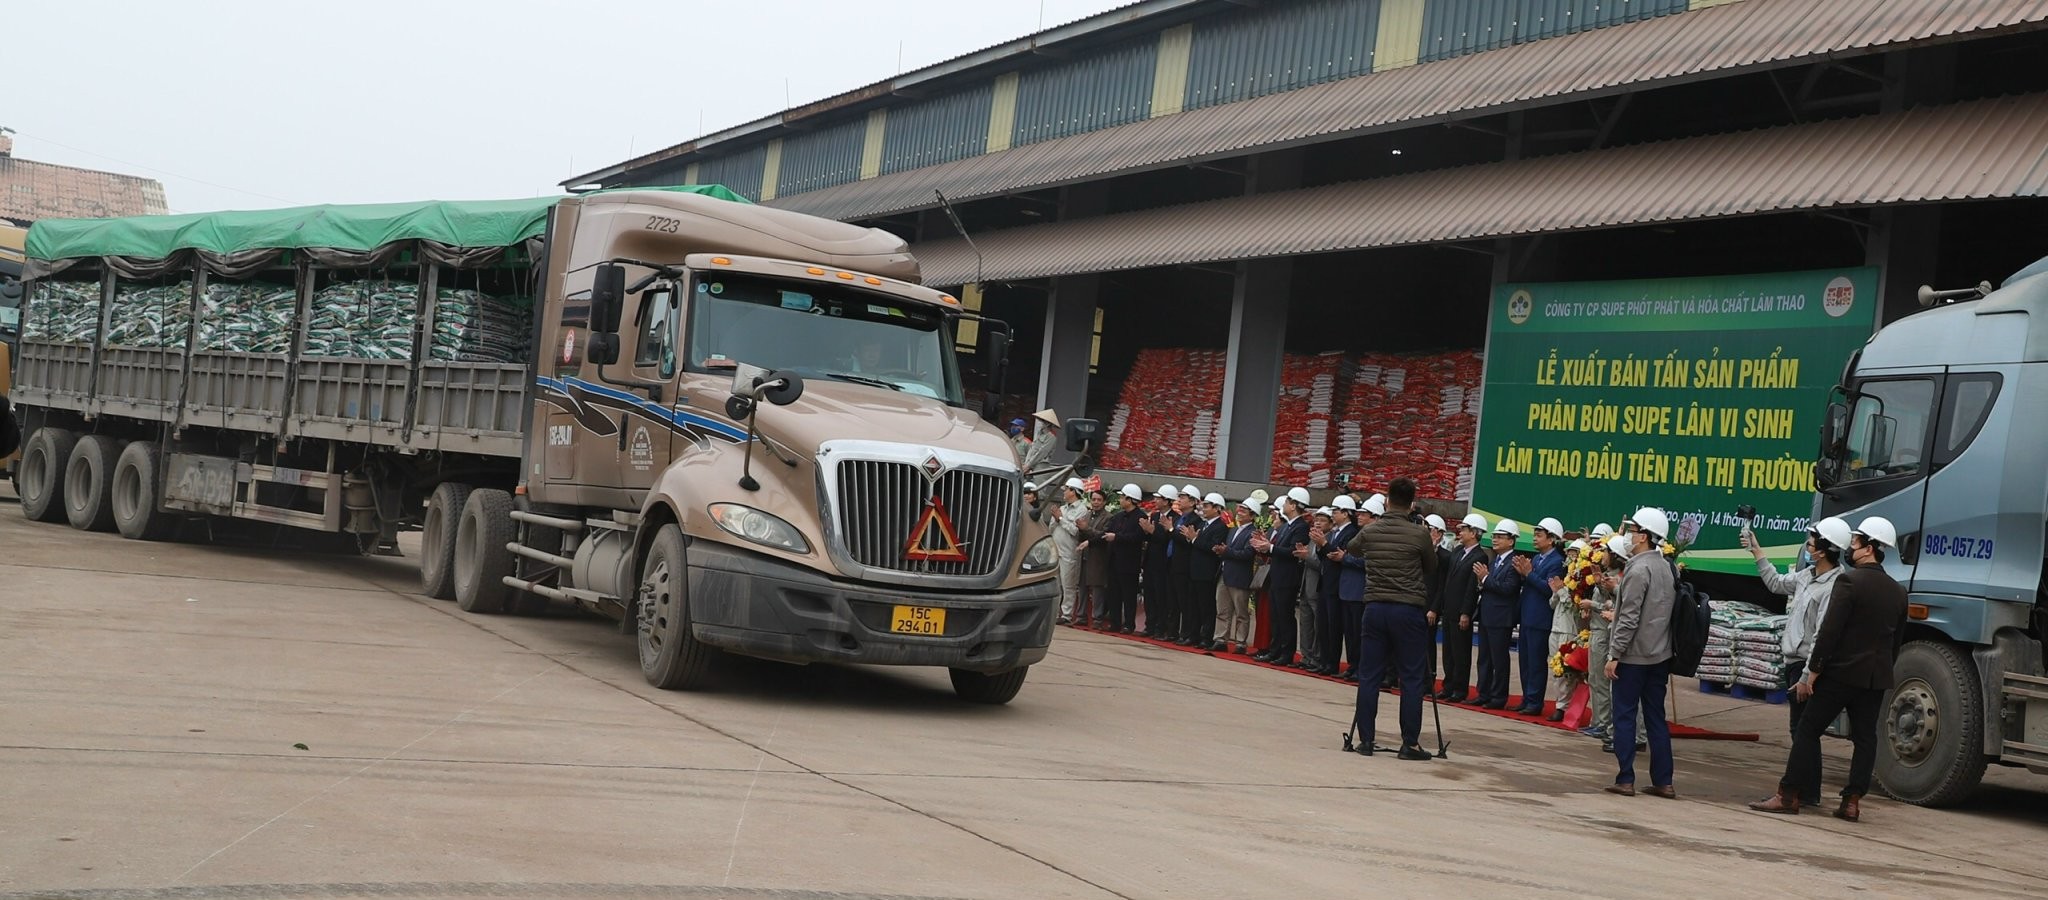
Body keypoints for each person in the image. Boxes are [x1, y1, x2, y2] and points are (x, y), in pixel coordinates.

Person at [1750, 517, 1906, 822]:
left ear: (1870, 548)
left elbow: (1829, 632)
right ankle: (1852, 801)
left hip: (1839, 674)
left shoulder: (1848, 582)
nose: (1852, 547)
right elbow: (1895, 643)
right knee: (1865, 739)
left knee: (1807, 729)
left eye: (1857, 542)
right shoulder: (1898, 592)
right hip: (1874, 678)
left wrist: (1812, 675)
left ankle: (1788, 794)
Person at [1750, 517, 1850, 776]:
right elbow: (1776, 583)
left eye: (1812, 542)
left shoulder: (1834, 586)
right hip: (1793, 662)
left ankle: (1803, 789)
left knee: (1803, 730)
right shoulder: (1807, 575)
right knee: (1800, 729)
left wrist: (1807, 676)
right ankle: (1806, 790)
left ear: (1824, 549)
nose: (1807, 545)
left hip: (1805, 668)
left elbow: (1821, 634)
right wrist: (1757, 552)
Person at [1348, 477, 1439, 760]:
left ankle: (1366, 740)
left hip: (1375, 607)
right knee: (1411, 677)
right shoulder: (1419, 534)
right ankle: (1409, 743)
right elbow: (1430, 566)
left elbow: (1352, 548)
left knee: (1370, 675)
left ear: (1387, 500)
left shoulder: (1372, 530)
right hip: (1408, 609)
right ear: (1412, 504)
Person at [1604, 507, 1677, 799]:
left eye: (1634, 531)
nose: (1630, 536)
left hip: (1633, 657)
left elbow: (1629, 617)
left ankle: (1625, 778)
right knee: (1656, 717)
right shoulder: (1667, 566)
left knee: (1624, 715)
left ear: (1644, 536)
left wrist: (1614, 654)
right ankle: (1664, 781)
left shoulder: (1638, 568)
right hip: (1659, 655)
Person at [1513, 517, 1567, 716]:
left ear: (1551, 539)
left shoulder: (1557, 562)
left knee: (1536, 663)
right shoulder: (1536, 559)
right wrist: (1522, 574)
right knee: (1525, 662)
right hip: (1528, 616)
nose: (1534, 538)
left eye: (1539, 535)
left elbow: (1549, 589)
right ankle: (1527, 698)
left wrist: (1529, 575)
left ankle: (1535, 702)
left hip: (1541, 618)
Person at [1253, 487, 1312, 665]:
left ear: (1293, 505)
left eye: (1287, 502)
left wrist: (1270, 548)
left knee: (1285, 616)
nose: (1284, 505)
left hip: (1288, 578)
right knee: (1276, 616)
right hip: (1277, 577)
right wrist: (1267, 545)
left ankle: (1286, 653)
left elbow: (1293, 551)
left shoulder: (1301, 527)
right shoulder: (1288, 526)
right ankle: (1275, 649)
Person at [1433, 514, 1489, 702]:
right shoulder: (1457, 552)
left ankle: (1459, 688)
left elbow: (1471, 589)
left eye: (1464, 529)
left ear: (1474, 533)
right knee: (1448, 651)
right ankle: (1448, 686)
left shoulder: (1479, 555)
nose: (1460, 532)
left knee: (1460, 652)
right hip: (1449, 608)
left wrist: (1466, 612)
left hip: (1461, 611)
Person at [1473, 519, 1525, 708]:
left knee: (1499, 660)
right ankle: (1483, 692)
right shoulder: (1495, 561)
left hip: (1501, 618)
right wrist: (1483, 582)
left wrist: (1485, 578)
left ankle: (1498, 697)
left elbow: (1508, 589)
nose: (1495, 540)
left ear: (1511, 541)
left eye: (1500, 537)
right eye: (1494, 536)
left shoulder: (1514, 563)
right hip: (1487, 615)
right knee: (1484, 658)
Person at [1583, 534, 1628, 746]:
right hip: (1597, 630)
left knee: (1602, 682)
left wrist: (1593, 605)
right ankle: (1599, 721)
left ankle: (1605, 724)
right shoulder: (1609, 576)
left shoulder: (1619, 578)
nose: (1604, 555)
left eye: (1608, 552)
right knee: (1594, 679)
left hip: (1605, 633)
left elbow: (1613, 607)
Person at [1313, 496, 1362, 676]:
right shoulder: (1334, 532)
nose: (1333, 514)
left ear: (1346, 513)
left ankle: (1332, 663)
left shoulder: (1351, 532)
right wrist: (1321, 546)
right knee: (1324, 626)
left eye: (1336, 511)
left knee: (1335, 628)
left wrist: (1324, 544)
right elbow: (1326, 556)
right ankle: (1325, 661)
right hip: (1326, 583)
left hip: (1337, 585)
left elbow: (1337, 554)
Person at [1212, 499, 1262, 654]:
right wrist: (1221, 551)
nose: (1239, 512)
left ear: (1252, 515)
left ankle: (1240, 643)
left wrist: (1226, 552)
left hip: (1240, 577)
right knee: (1222, 610)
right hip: (1225, 574)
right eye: (1240, 509)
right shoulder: (1233, 530)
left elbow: (1248, 554)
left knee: (1241, 612)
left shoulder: (1253, 532)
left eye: (1244, 510)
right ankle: (1221, 639)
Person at [1547, 539, 1589, 723]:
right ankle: (1559, 703)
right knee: (1555, 669)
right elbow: (1552, 603)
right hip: (1555, 627)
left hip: (1570, 629)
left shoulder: (1583, 582)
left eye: (1575, 553)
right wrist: (1557, 591)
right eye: (1569, 553)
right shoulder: (1567, 577)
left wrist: (1563, 592)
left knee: (1567, 671)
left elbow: (1575, 606)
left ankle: (1562, 707)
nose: (1571, 557)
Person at [1184, 493, 1229, 649]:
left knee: (1206, 607)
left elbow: (1213, 547)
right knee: (1194, 605)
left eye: (1207, 506)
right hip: (1195, 570)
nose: (1204, 509)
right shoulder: (1203, 525)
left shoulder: (1221, 527)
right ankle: (1193, 635)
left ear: (1217, 509)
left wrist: (1195, 540)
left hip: (1207, 572)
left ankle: (1206, 637)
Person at [1100, 484, 1147, 633]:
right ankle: (1114, 622)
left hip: (1129, 563)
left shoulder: (1141, 517)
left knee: (1129, 595)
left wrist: (1117, 537)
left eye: (1122, 497)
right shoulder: (1118, 516)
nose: (1120, 499)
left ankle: (1128, 624)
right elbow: (1108, 531)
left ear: (1130, 499)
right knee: (1114, 594)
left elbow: (1137, 537)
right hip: (1114, 561)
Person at [1139, 485, 1179, 638]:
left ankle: (1160, 627)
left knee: (1161, 596)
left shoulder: (1174, 518)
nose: (1155, 500)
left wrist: (1152, 531)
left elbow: (1166, 539)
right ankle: (1149, 625)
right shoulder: (1154, 516)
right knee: (1148, 594)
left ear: (1167, 501)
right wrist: (1146, 532)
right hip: (1150, 561)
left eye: (1159, 498)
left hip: (1164, 563)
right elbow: (1151, 538)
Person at [1295, 508, 1333, 670]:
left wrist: (1306, 557)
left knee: (1318, 626)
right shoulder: (1313, 538)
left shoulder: (1327, 540)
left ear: (1331, 524)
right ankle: (1306, 656)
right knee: (1306, 624)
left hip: (1317, 589)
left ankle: (1316, 658)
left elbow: (1322, 565)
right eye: (1316, 519)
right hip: (1306, 587)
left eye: (1323, 520)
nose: (1318, 523)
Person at [1165, 487, 1202, 645]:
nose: (1179, 499)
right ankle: (1172, 631)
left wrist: (1171, 529)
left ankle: (1186, 633)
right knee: (1172, 600)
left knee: (1184, 602)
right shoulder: (1180, 518)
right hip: (1173, 564)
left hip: (1184, 566)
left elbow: (1184, 539)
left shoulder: (1194, 520)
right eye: (1179, 496)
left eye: (1183, 497)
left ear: (1193, 501)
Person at [1051, 478, 1089, 625]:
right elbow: (1052, 528)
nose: (1065, 492)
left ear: (1073, 491)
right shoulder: (1064, 508)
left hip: (1069, 553)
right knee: (1056, 584)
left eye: (1067, 489)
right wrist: (1057, 518)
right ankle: (1055, 613)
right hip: (1056, 551)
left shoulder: (1082, 509)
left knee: (1068, 585)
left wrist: (1060, 518)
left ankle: (1066, 615)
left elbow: (1075, 531)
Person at [1073, 490, 1113, 628]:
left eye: (1099, 500)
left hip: (1098, 556)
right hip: (1085, 555)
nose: (1096, 502)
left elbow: (1102, 536)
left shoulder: (1108, 517)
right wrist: (1081, 529)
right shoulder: (1087, 514)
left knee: (1097, 588)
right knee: (1082, 587)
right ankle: (1081, 615)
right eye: (1094, 499)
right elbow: (1082, 534)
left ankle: (1097, 618)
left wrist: (1087, 528)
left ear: (1104, 502)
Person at [1019, 409, 1062, 476]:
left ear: (1047, 424)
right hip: (1029, 465)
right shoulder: (1039, 433)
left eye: (1042, 421)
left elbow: (1042, 452)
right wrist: (1026, 464)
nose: (1040, 423)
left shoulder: (1051, 436)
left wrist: (1028, 465)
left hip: (1040, 466)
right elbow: (1032, 449)